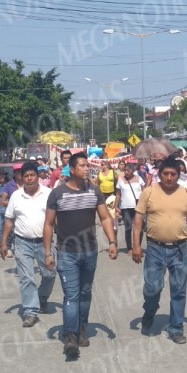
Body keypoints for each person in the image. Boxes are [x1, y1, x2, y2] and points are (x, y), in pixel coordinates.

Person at [43, 153, 118, 359]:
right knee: (71, 295)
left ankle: (82, 328)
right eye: (83, 166)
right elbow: (49, 224)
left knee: (85, 293)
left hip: (90, 251)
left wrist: (112, 242)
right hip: (67, 254)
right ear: (72, 169)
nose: (87, 169)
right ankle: (70, 336)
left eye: (87, 165)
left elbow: (104, 218)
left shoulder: (94, 192)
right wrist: (48, 252)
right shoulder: (57, 194)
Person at [133, 156, 187, 344]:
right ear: (159, 174)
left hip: (179, 250)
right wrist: (136, 246)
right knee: (152, 288)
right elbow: (138, 220)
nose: (169, 178)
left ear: (178, 175)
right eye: (166, 174)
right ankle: (149, 312)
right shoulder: (148, 193)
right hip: (155, 249)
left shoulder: (186, 194)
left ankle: (176, 328)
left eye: (173, 174)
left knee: (179, 290)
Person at [2, 161, 56, 328]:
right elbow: (9, 221)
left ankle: (41, 298)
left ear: (38, 176)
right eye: (26, 176)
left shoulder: (49, 194)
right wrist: (4, 242)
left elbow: (57, 218)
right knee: (27, 278)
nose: (30, 178)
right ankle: (30, 312)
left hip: (44, 243)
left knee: (50, 274)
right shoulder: (16, 196)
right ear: (21, 177)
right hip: (22, 242)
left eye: (32, 175)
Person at [116, 162, 145, 251]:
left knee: (140, 228)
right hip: (125, 207)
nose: (126, 172)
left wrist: (146, 204)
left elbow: (144, 193)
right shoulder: (120, 179)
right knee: (128, 228)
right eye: (125, 170)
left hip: (138, 207)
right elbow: (118, 194)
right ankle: (129, 248)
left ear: (133, 170)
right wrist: (116, 206)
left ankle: (138, 247)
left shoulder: (139, 179)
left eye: (128, 170)